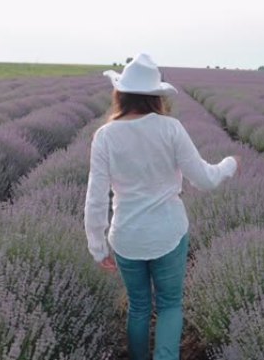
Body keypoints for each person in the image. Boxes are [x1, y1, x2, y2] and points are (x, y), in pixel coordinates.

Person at [84, 53, 239, 360]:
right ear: (156, 97)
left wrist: (97, 246)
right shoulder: (170, 128)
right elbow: (204, 180)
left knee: (139, 306)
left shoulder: (105, 136)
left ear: (121, 94)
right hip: (169, 233)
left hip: (127, 236)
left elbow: (96, 198)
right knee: (169, 305)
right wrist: (228, 165)